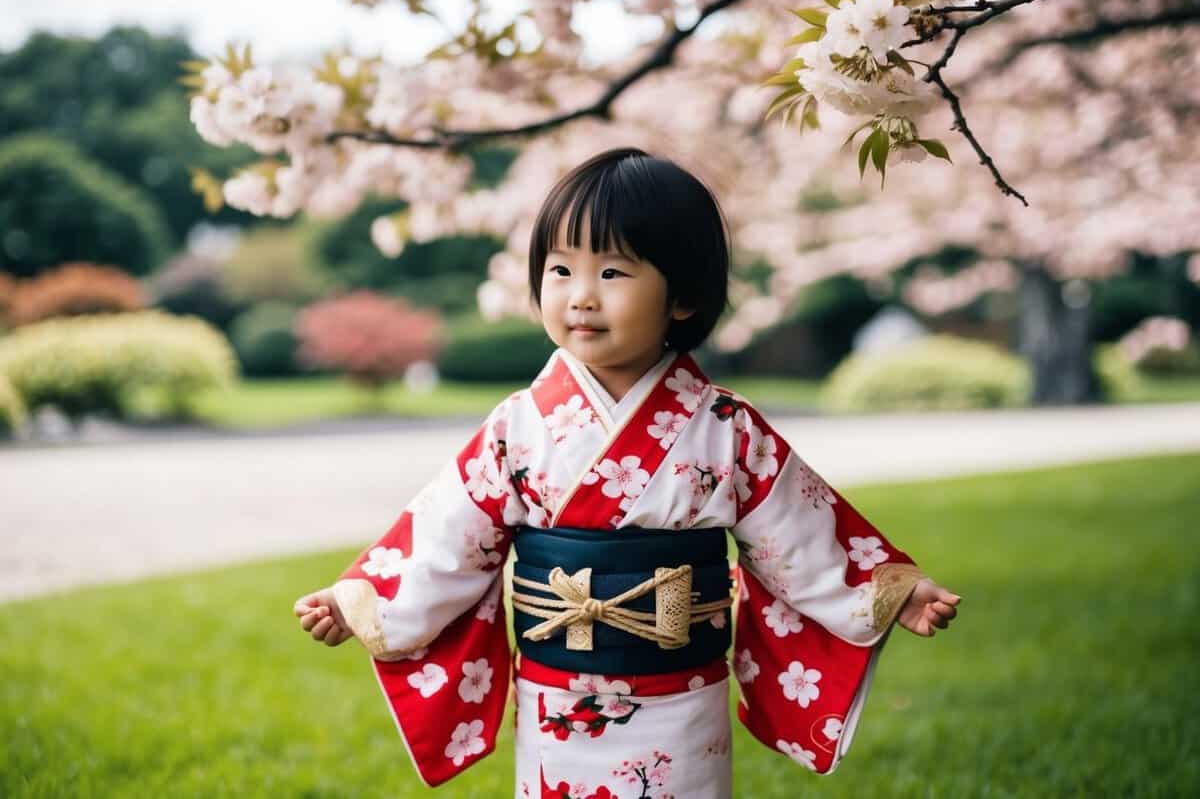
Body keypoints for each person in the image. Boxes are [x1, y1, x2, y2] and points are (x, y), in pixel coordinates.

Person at [293, 147, 961, 798]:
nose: (581, 296)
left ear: (684, 297)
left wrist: (891, 589)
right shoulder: (517, 427)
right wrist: (366, 600)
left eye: (612, 274)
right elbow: (448, 540)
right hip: (557, 695)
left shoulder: (726, 427)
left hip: (681, 698)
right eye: (560, 270)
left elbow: (802, 532)